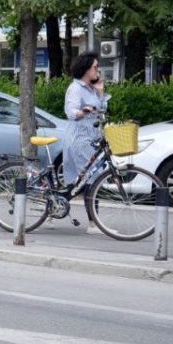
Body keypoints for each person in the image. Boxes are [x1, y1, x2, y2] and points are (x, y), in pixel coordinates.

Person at [63, 52, 106, 231]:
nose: (98, 70)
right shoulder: (76, 88)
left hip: (93, 137)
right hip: (80, 138)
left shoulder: (91, 89)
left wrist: (101, 91)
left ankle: (54, 205)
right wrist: (84, 111)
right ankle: (93, 223)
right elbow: (70, 112)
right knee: (92, 178)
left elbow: (102, 110)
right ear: (86, 69)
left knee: (79, 181)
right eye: (95, 67)